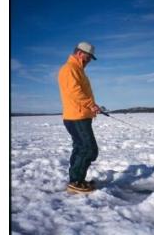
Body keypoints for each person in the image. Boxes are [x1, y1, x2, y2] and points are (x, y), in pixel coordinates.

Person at [58, 41, 101, 193]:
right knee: (89, 149)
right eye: (88, 57)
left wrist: (91, 107)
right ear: (79, 53)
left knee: (80, 148)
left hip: (80, 115)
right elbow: (75, 92)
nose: (89, 61)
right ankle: (76, 181)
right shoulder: (69, 69)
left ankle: (76, 180)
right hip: (77, 117)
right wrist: (91, 105)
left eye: (90, 58)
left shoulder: (78, 69)